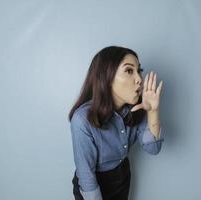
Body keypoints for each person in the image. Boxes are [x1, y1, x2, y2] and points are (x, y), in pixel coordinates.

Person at [68, 46, 164, 200]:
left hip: (122, 177)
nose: (139, 79)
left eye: (139, 70)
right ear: (108, 77)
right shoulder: (82, 119)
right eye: (129, 71)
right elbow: (86, 174)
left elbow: (153, 149)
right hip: (92, 186)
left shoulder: (137, 108)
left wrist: (152, 111)